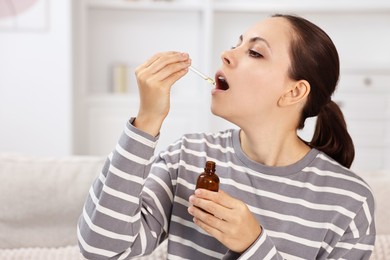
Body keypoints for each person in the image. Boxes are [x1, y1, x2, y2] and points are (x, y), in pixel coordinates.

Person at [77, 14, 376, 259]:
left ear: (294, 92)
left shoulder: (349, 202)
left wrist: (253, 244)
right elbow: (102, 249)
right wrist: (147, 121)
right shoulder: (188, 156)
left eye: (255, 52)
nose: (226, 54)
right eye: (237, 43)